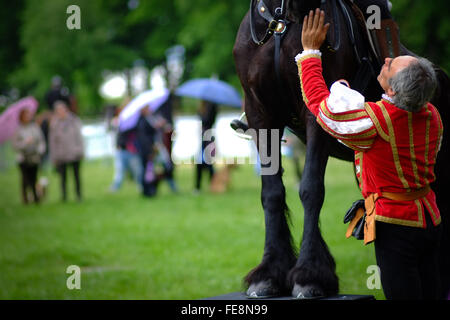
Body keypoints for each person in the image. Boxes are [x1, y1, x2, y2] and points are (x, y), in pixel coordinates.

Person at [297, 9, 443, 299]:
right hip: (430, 216)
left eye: (389, 66)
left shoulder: (376, 121)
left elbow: (320, 107)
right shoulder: (433, 115)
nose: (385, 58)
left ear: (390, 87)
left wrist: (311, 52)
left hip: (395, 226)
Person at [49, 101, 84, 202]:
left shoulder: (74, 121)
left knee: (76, 176)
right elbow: (52, 142)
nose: (61, 112)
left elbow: (79, 137)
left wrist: (80, 150)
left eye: (62, 109)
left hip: (74, 153)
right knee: (63, 178)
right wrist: (54, 157)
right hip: (61, 155)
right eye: (58, 110)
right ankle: (64, 196)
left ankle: (78, 195)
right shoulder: (54, 124)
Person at [12, 109, 46, 204]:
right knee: (25, 179)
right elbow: (15, 146)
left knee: (34, 178)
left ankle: (36, 198)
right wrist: (25, 143)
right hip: (23, 158)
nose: (28, 117)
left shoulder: (35, 128)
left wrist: (40, 151)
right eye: (26, 115)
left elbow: (41, 141)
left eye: (29, 115)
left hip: (34, 157)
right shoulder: (18, 130)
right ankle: (25, 198)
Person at [195, 100, 217, 193]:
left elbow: (207, 120)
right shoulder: (208, 107)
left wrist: (200, 114)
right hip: (205, 137)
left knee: (206, 163)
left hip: (207, 138)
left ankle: (211, 184)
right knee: (204, 163)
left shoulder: (212, 107)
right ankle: (206, 185)